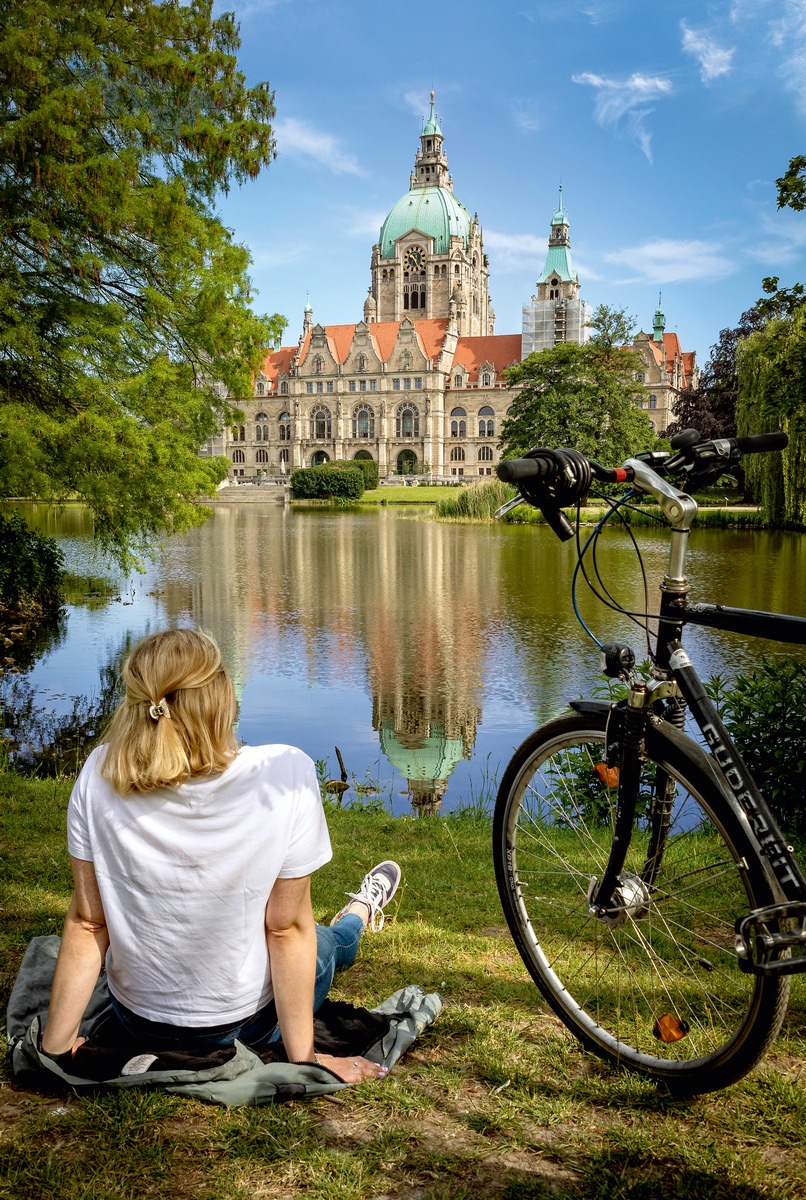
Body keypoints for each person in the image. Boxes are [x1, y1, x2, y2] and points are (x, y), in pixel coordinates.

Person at [40, 628, 401, 1084]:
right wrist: (306, 1058)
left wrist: (54, 1048)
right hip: (241, 1024)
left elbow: (89, 922)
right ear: (223, 697)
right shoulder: (286, 772)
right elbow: (285, 929)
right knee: (326, 945)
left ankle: (358, 913)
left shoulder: (99, 771)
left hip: (137, 1020)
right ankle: (359, 914)